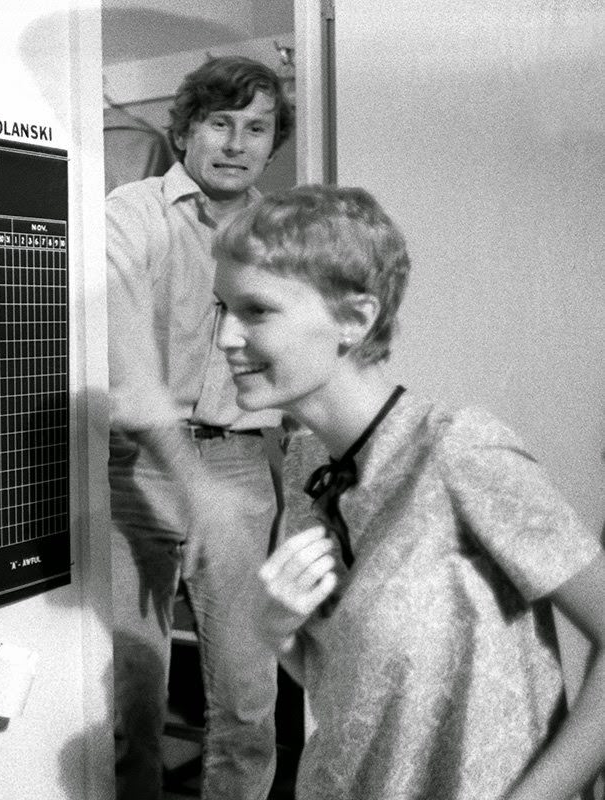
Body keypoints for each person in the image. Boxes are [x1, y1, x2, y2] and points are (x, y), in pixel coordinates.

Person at [211, 184, 605, 800]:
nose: (227, 337)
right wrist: (275, 628)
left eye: (256, 311)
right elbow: (346, 682)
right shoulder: (307, 461)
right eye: (224, 309)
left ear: (354, 318)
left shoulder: (459, 451)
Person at [106, 56, 293, 800]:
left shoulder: (285, 233)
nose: (237, 143)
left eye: (257, 128)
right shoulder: (131, 211)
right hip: (134, 472)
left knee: (248, 708)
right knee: (131, 708)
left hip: (243, 470)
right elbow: (120, 354)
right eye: (220, 123)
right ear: (185, 129)